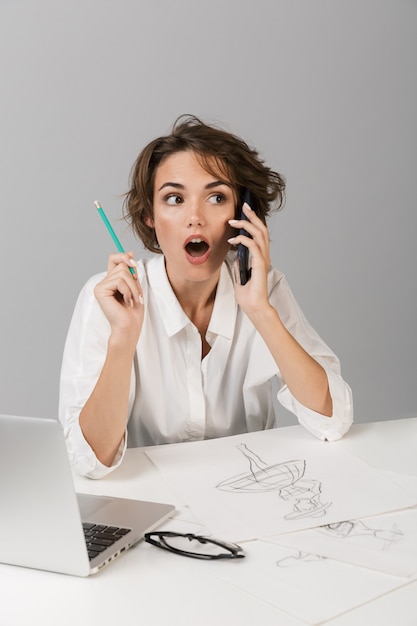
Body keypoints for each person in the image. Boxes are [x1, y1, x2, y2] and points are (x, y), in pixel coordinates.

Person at [59, 115, 353, 479]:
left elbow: (333, 420)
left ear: (241, 214)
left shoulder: (266, 290)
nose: (195, 218)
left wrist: (260, 311)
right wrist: (123, 340)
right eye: (174, 198)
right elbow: (92, 461)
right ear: (149, 214)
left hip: (252, 499)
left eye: (216, 197)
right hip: (152, 507)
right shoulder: (108, 298)